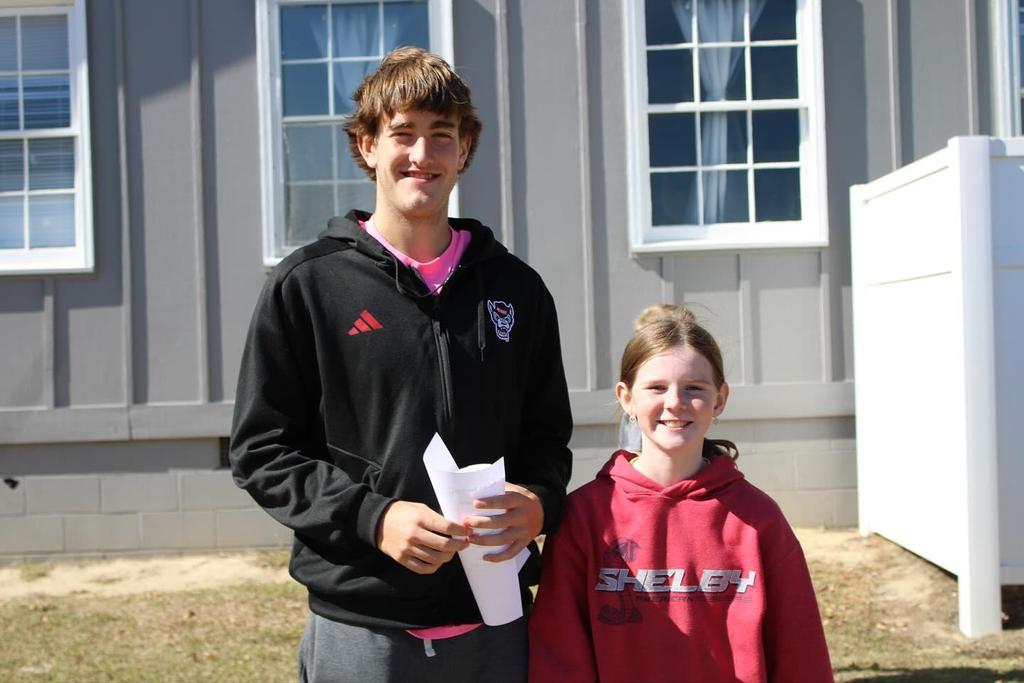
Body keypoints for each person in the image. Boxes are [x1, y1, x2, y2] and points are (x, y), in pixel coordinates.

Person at [229, 47, 572, 683]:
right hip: (361, 624)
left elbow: (547, 436)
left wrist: (539, 502)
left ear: (465, 148)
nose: (422, 154)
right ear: (367, 145)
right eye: (402, 133)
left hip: (496, 626)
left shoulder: (517, 289)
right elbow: (261, 451)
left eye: (442, 135)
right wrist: (374, 517)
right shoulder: (309, 285)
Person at [528, 304, 833, 682]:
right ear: (626, 397)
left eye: (694, 388)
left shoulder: (758, 519)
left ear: (719, 399)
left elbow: (800, 652)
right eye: (657, 387)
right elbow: (559, 653)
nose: (675, 402)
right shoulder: (585, 516)